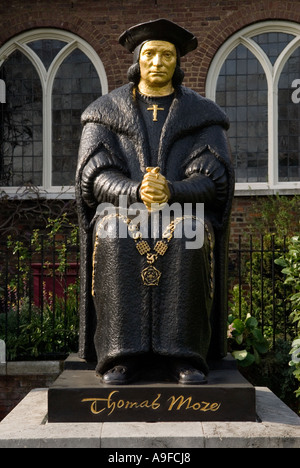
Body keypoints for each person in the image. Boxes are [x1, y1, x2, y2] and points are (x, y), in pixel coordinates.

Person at [76, 19, 234, 385]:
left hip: (183, 209)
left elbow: (214, 177)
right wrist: (135, 191)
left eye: (167, 55)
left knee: (190, 232)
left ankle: (184, 356)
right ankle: (121, 354)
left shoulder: (203, 115)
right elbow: (94, 174)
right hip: (121, 209)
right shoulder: (105, 111)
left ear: (178, 63)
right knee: (113, 232)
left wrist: (172, 191)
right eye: (150, 54)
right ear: (138, 60)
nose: (158, 62)